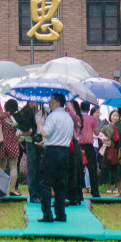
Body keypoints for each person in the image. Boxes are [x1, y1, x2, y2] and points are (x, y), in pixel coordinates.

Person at [37, 93, 74, 223]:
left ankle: (47, 214)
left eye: (51, 100)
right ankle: (60, 214)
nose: (49, 103)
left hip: (52, 153)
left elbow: (46, 133)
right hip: (64, 152)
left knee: (45, 183)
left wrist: (40, 125)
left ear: (57, 102)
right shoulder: (68, 117)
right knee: (60, 184)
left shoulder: (52, 116)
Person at [15, 101, 42, 202]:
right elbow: (20, 130)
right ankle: (34, 195)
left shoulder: (42, 111)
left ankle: (40, 193)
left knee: (40, 168)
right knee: (32, 169)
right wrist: (28, 132)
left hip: (42, 142)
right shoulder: (25, 112)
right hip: (31, 143)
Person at [0, 99, 23, 196]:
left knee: (1, 167)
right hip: (13, 143)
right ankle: (13, 190)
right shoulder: (15, 117)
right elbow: (21, 128)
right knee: (13, 167)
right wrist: (18, 136)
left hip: (2, 143)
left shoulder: (1, 117)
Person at [76, 102, 101, 199]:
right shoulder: (92, 119)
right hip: (89, 146)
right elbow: (96, 132)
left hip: (78, 146)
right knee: (92, 169)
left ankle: (78, 192)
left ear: (80, 108)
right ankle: (95, 192)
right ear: (89, 108)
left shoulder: (77, 117)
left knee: (78, 169)